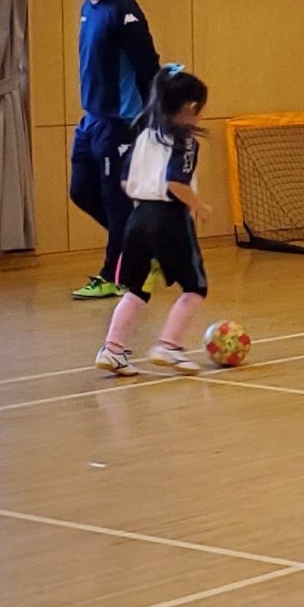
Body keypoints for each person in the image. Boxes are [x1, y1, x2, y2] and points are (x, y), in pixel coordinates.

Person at [94, 67, 212, 376]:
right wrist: (200, 207)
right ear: (190, 107)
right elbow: (175, 183)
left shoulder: (143, 136)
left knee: (136, 289)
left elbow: (124, 182)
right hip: (169, 219)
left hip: (137, 220)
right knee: (195, 288)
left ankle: (112, 349)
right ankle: (169, 346)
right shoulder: (186, 141)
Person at [65, 0, 162, 300]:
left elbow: (148, 67)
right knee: (81, 191)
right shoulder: (90, 9)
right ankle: (142, 248)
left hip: (121, 122)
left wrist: (153, 119)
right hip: (92, 119)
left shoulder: (125, 13)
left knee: (116, 202)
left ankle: (114, 275)